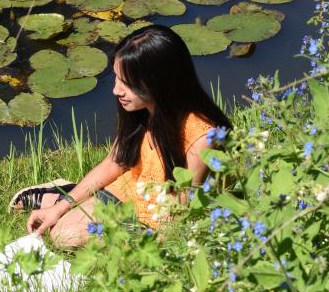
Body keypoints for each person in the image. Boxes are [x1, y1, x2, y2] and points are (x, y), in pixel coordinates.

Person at [17, 25, 232, 247]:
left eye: (127, 83)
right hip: (130, 192)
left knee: (66, 235)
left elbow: (178, 216)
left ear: (160, 82)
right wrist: (61, 207)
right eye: (117, 79)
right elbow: (115, 162)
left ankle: (59, 193)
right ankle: (61, 197)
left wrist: (141, 252)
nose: (116, 91)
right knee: (64, 232)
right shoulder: (139, 111)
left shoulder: (203, 137)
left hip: (159, 215)